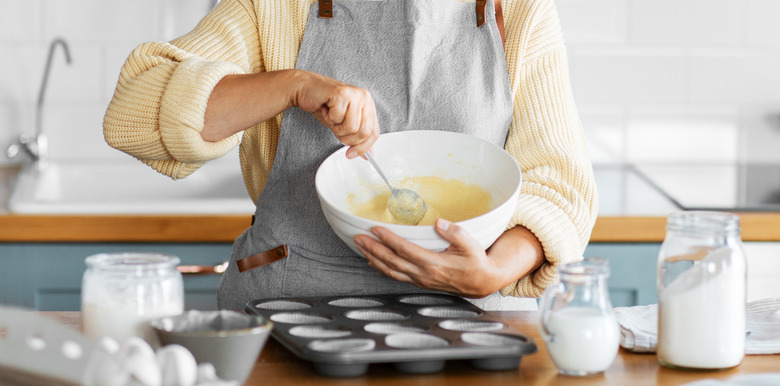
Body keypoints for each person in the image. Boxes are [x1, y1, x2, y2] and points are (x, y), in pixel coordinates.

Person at [103, 0, 598, 311]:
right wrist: (291, 85)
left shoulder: (518, 10)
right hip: (286, 299)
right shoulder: (276, 8)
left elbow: (558, 184)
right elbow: (135, 111)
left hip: (468, 317)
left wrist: (493, 271)